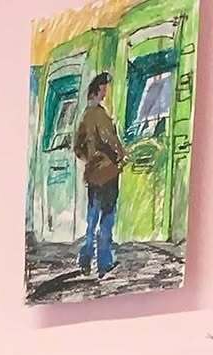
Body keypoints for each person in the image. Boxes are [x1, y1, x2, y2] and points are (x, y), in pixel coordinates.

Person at [74, 72, 125, 280]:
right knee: (107, 218)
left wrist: (90, 158)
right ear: (98, 90)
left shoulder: (85, 116)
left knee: (92, 218)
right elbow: (108, 138)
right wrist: (121, 154)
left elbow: (77, 147)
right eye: (104, 89)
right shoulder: (100, 115)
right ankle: (104, 263)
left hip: (93, 174)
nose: (106, 93)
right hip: (107, 173)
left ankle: (85, 260)